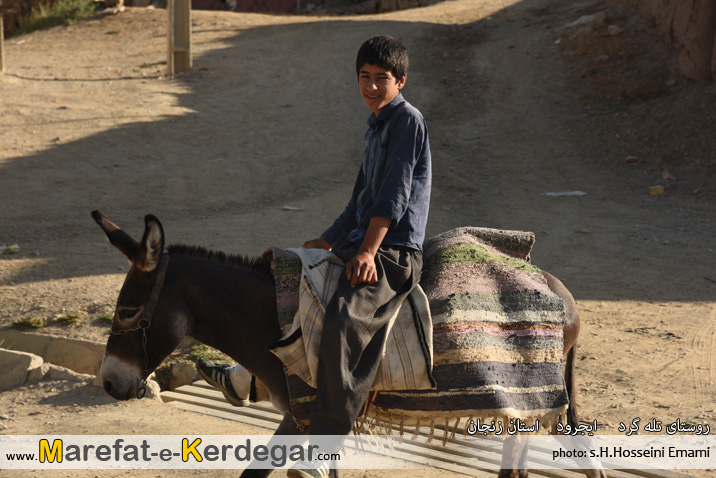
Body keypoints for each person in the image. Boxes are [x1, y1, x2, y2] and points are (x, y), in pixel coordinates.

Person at [198, 35, 431, 478]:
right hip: (360, 242)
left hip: (394, 253)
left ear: (401, 80)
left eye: (382, 79)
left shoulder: (408, 121)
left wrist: (366, 252)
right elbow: (358, 202)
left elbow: (393, 199)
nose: (372, 86)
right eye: (365, 77)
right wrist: (325, 240)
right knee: (281, 271)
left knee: (344, 320)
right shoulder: (376, 125)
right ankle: (245, 375)